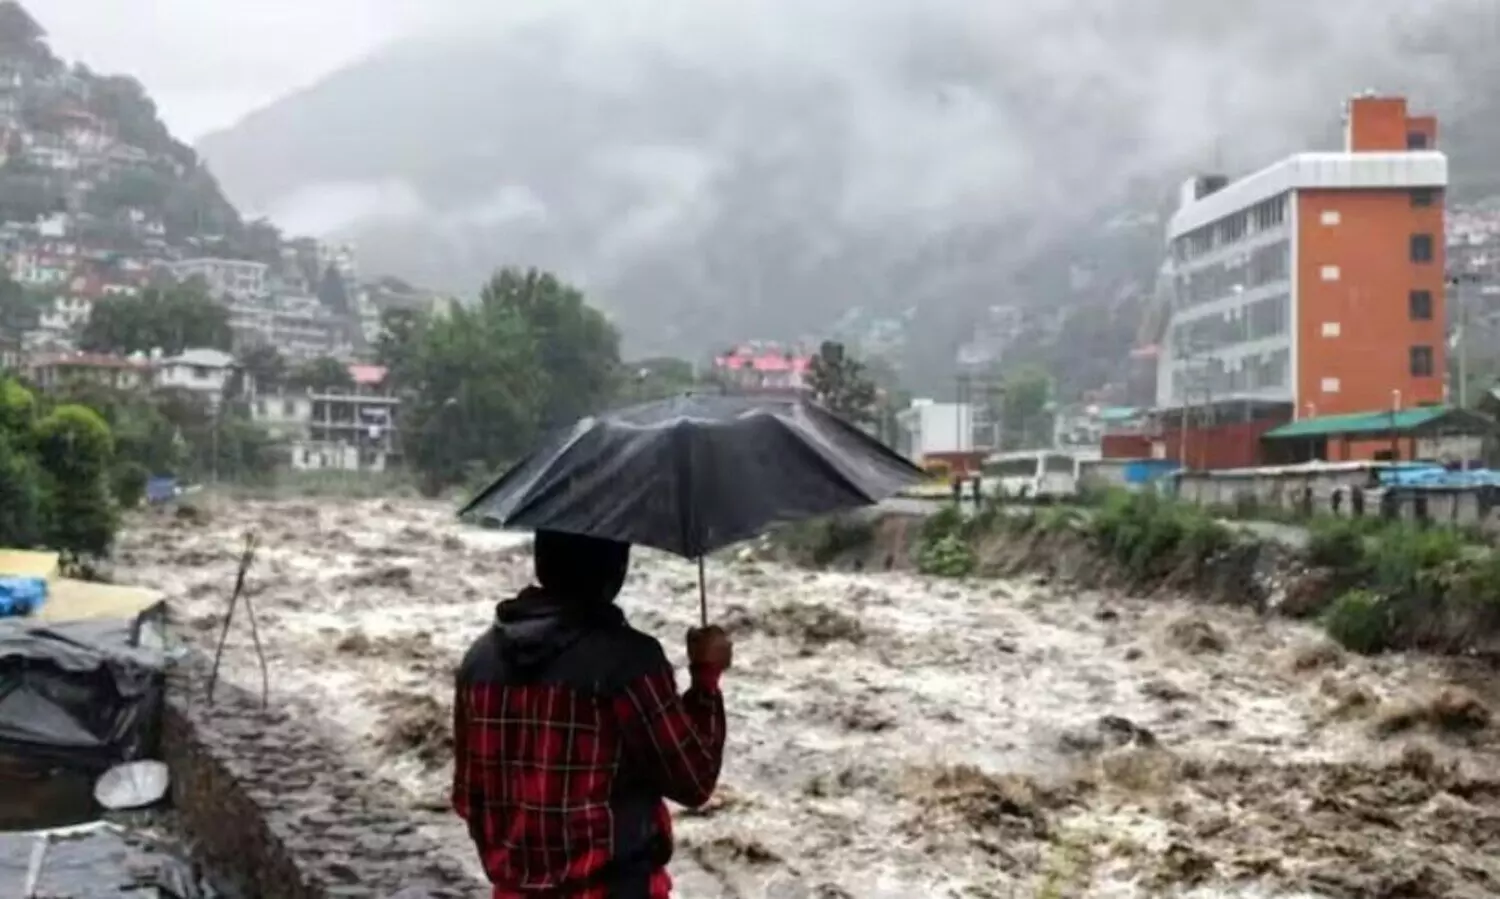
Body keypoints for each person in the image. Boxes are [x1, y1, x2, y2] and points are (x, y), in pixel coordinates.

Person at [452, 529, 731, 898]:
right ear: (616, 570)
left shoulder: (478, 661)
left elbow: (467, 798)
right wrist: (706, 679)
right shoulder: (630, 663)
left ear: (541, 561)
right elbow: (694, 780)